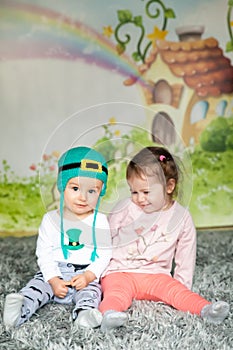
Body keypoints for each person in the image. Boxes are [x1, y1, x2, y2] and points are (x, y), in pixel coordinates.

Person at [99, 146, 229, 331]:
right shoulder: (125, 208)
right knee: (115, 293)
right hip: (121, 272)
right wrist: (96, 274)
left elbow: (186, 255)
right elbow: (105, 239)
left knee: (176, 292)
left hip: (156, 275)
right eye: (134, 192)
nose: (139, 198)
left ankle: (206, 309)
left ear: (169, 186)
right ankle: (109, 314)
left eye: (146, 192)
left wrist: (181, 285)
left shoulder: (181, 217)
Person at [3, 146, 112, 329]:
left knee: (92, 293)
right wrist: (53, 279)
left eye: (91, 191)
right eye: (75, 188)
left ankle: (84, 316)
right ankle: (18, 312)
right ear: (62, 187)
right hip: (55, 270)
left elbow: (104, 253)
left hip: (84, 273)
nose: (83, 197)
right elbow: (44, 252)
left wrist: (88, 275)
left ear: (100, 192)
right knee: (36, 287)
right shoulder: (50, 219)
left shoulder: (99, 221)